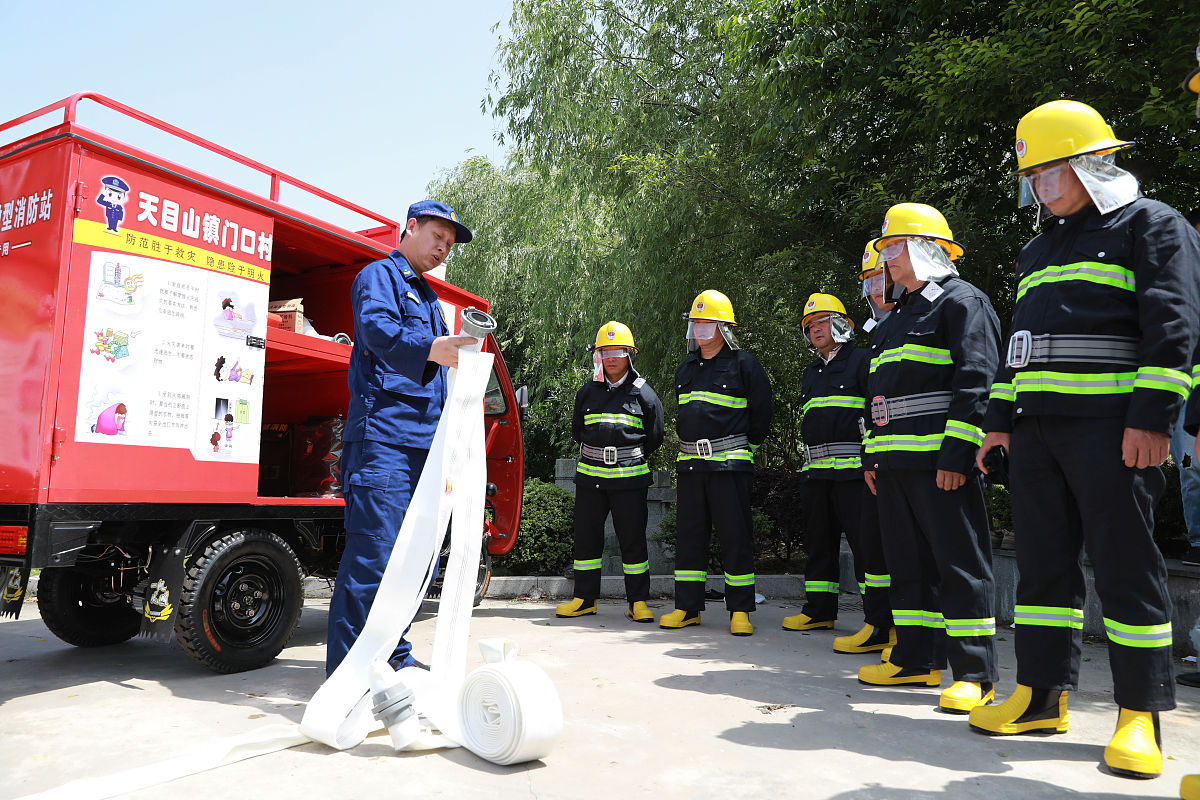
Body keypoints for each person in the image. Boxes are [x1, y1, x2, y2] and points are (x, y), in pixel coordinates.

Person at [970, 100, 1200, 782]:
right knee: (1042, 570)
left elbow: (1175, 326)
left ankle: (1139, 713)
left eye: (1050, 170)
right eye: (1032, 175)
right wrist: (999, 421)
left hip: (1113, 431)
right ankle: (1041, 696)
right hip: (1038, 435)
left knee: (1127, 568)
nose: (1040, 186)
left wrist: (1154, 417)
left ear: (1089, 161)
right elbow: (1020, 346)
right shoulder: (1038, 248)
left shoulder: (1150, 226)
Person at [856, 203, 1002, 718]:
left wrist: (958, 453)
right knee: (907, 566)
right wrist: (873, 455)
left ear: (922, 248)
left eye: (892, 249)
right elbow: (878, 397)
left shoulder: (962, 303)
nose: (885, 262)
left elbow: (977, 381)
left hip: (941, 465)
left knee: (960, 565)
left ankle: (975, 674)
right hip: (895, 468)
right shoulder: (897, 319)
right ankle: (917, 660)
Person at [326, 200, 477, 676]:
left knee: (414, 565)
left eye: (449, 245)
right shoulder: (379, 277)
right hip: (383, 444)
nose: (442, 248)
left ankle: (393, 658)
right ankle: (350, 679)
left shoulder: (430, 299)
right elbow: (376, 331)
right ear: (410, 228)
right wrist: (434, 348)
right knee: (374, 559)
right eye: (437, 236)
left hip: (423, 449)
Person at [781, 292, 893, 655]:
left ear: (841, 323)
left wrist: (871, 461)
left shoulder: (862, 360)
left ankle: (878, 621)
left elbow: (877, 412)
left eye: (822, 321)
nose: (815, 329)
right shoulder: (810, 372)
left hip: (855, 474)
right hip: (816, 474)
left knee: (867, 549)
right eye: (809, 325)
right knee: (818, 545)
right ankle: (819, 611)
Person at [660, 290, 773, 636]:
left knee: (734, 537)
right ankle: (687, 607)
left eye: (707, 321)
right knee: (690, 538)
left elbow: (762, 414)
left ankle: (740, 609)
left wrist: (745, 448)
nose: (700, 328)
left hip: (730, 465)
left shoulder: (744, 364)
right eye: (696, 322)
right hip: (692, 466)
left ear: (724, 326)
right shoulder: (686, 368)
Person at [556, 321, 665, 623]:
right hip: (591, 479)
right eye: (606, 351)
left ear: (630, 355)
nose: (612, 357)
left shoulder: (644, 395)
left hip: (630, 480)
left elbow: (655, 436)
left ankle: (638, 602)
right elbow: (578, 431)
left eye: (619, 351)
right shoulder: (586, 393)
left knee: (633, 540)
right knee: (586, 540)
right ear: (598, 356)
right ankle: (584, 599)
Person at [832, 241, 898, 656]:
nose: (876, 288)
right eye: (869, 281)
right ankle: (879, 626)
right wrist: (870, 456)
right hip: (880, 462)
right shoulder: (881, 335)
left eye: (882, 278)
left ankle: (918, 640)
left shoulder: (938, 312)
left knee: (912, 556)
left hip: (924, 460)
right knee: (873, 549)